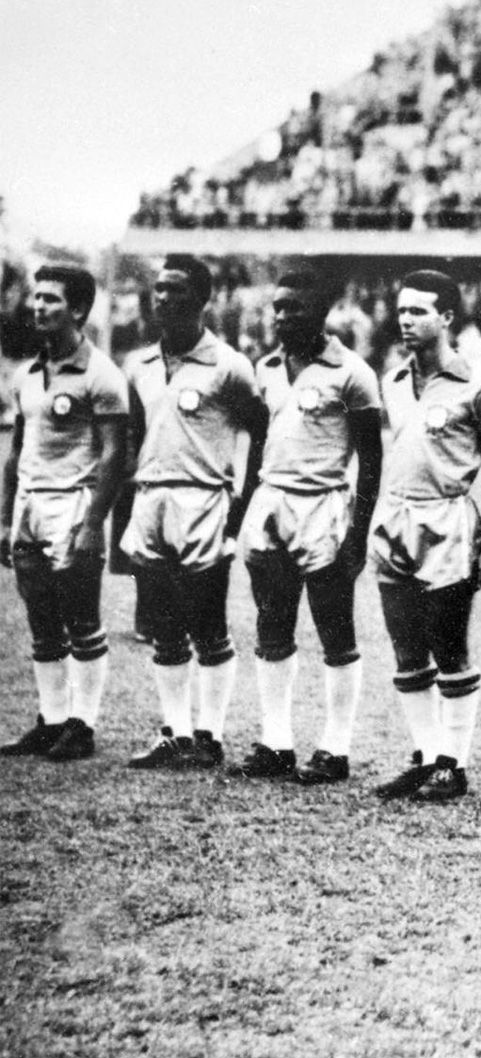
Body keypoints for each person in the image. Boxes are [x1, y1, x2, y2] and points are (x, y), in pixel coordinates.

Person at [227, 271, 383, 784]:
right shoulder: (264, 369)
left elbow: (371, 460)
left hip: (324, 505)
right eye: (277, 307)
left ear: (320, 312)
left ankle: (335, 749)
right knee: (272, 624)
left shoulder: (352, 372)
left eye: (294, 308)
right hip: (272, 502)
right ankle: (276, 743)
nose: (282, 316)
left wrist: (358, 535)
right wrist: (244, 509)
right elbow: (257, 448)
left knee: (335, 628)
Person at [365, 270, 481, 803]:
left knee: (449, 646)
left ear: (447, 317)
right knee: (406, 649)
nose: (406, 320)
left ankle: (454, 763)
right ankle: (426, 757)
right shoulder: (393, 380)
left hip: (449, 522)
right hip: (396, 519)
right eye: (402, 311)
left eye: (419, 311)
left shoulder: (478, 384)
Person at [121, 255, 268, 770]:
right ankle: (176, 733)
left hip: (204, 499)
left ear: (202, 299)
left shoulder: (228, 365)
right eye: (159, 289)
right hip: (151, 499)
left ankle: (209, 734)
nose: (163, 298)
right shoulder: (137, 365)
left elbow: (260, 428)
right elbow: (133, 438)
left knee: (208, 623)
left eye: (176, 290)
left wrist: (241, 503)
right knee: (162, 624)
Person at [0, 267, 129, 761]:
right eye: (36, 297)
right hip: (31, 504)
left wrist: (94, 523)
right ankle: (51, 719)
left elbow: (117, 455)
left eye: (50, 299)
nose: (38, 306)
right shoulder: (27, 375)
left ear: (77, 309)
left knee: (82, 619)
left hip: (72, 506)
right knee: (41, 620)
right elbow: (16, 453)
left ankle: (83, 724)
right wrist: (7, 516)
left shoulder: (102, 374)